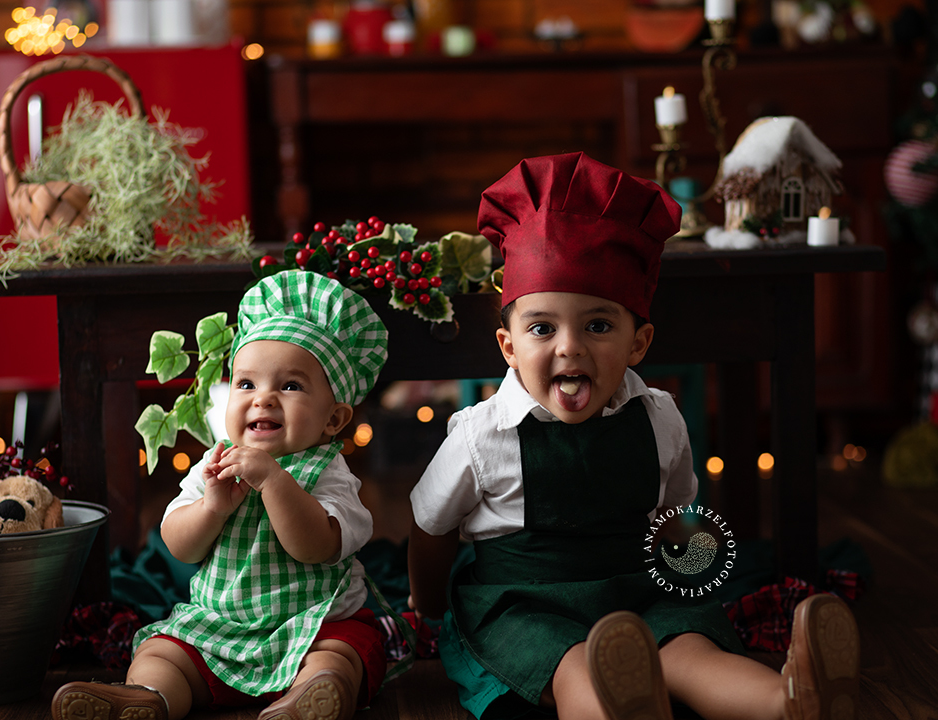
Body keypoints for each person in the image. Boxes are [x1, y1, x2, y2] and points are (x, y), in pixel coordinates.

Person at [406, 152, 860, 720]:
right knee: (570, 663)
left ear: (638, 343)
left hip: (638, 591)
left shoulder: (659, 418)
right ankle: (621, 702)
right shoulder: (482, 435)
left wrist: (693, 583)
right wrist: (428, 607)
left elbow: (674, 518)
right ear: (509, 347)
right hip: (524, 605)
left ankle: (789, 699)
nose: (570, 347)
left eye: (598, 325)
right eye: (542, 328)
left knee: (688, 649)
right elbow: (431, 527)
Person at [53, 271, 389, 720]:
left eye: (290, 386)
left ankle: (310, 697)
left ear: (334, 419)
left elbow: (315, 546)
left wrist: (274, 481)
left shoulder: (330, 474)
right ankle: (150, 697)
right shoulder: (215, 464)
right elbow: (180, 545)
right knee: (161, 651)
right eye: (246, 384)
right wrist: (210, 506)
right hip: (220, 632)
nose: (263, 399)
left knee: (346, 651)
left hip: (312, 625)